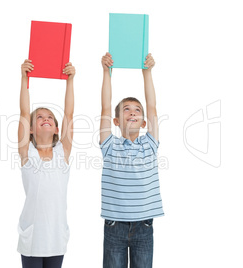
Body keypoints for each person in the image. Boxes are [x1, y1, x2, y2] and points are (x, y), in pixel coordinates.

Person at [99, 52, 164, 268]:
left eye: (137, 111)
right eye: (126, 110)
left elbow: (152, 106)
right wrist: (106, 73)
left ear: (144, 122)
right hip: (114, 225)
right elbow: (105, 108)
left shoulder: (150, 144)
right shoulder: (110, 145)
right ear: (117, 121)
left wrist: (147, 73)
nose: (132, 113)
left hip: (144, 225)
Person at [17, 59, 75, 268]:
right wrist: (25, 78)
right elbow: (24, 113)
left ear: (57, 129)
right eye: (39, 116)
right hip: (32, 238)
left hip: (56, 237)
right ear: (31, 129)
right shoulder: (27, 153)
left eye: (50, 116)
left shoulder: (62, 153)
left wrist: (70, 81)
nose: (46, 118)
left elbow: (68, 114)